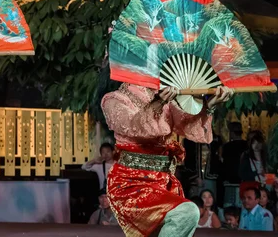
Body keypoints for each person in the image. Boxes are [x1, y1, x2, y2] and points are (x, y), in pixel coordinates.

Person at [102, 84, 233, 237]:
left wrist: (209, 105)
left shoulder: (166, 97)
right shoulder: (113, 99)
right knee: (187, 212)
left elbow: (187, 125)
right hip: (130, 184)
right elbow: (134, 126)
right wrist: (158, 102)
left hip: (163, 182)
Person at [239, 131, 269, 197]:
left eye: (258, 142)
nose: (256, 145)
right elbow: (242, 174)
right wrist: (257, 172)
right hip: (252, 188)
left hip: (265, 188)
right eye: (253, 142)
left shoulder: (267, 157)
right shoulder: (246, 156)